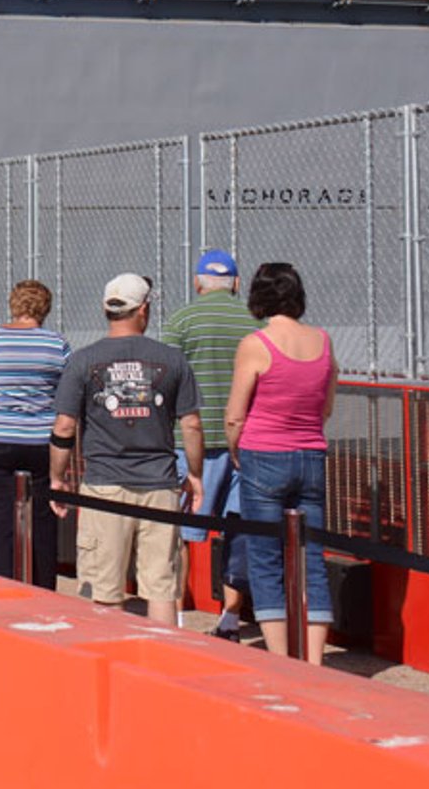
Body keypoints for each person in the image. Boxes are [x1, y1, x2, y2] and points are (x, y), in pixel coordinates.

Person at [49, 274, 203, 627]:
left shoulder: (84, 360)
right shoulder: (172, 359)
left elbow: (64, 427)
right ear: (144, 309)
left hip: (104, 484)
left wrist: (57, 478)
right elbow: (192, 424)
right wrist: (195, 474)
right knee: (161, 586)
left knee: (104, 588)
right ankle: (163, 662)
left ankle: (110, 662)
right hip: (159, 483)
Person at [226, 262, 338, 664]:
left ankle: (279, 659)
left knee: (265, 556)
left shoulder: (257, 344)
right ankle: (314, 660)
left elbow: (235, 414)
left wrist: (236, 449)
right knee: (312, 557)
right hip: (311, 453)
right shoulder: (323, 342)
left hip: (264, 454)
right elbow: (326, 405)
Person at [161, 248, 262, 639]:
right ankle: (231, 618)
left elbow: (166, 377)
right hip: (244, 440)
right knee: (237, 527)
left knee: (180, 530)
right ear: (237, 283)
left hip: (191, 440)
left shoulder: (181, 320)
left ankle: (179, 616)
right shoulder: (255, 321)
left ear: (196, 283)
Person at [0, 279, 70, 586]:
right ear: (45, 309)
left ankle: (5, 582)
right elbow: (65, 394)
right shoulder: (57, 344)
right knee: (41, 516)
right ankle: (43, 587)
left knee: (0, 518)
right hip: (39, 438)